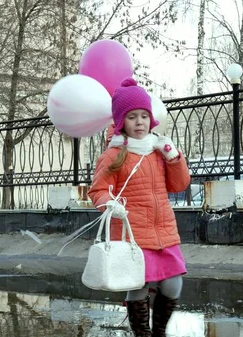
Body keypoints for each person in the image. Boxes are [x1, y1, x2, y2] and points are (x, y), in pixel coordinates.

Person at [88, 77, 191, 337]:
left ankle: (159, 330)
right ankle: (142, 334)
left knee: (173, 284)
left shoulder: (158, 150)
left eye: (144, 116)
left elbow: (179, 185)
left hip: (164, 230)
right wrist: (110, 204)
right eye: (132, 117)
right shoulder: (113, 155)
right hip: (131, 233)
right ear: (122, 121)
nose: (139, 122)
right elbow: (97, 191)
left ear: (151, 119)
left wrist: (174, 157)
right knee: (137, 287)